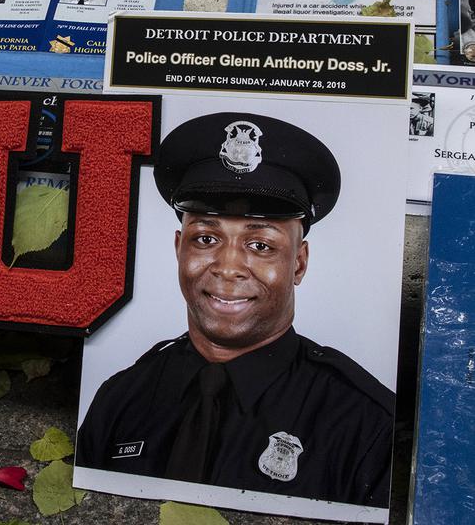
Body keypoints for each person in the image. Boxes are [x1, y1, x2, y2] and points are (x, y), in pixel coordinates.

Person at [75, 113, 395, 508]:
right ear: (180, 249)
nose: (227, 267)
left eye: (260, 245)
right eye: (206, 238)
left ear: (298, 263)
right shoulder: (121, 397)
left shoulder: (365, 422)